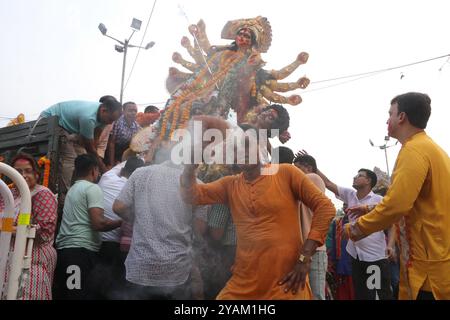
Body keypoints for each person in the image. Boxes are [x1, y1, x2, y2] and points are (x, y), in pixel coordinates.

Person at [180, 121, 336, 299]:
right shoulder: (230, 184)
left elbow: (325, 207)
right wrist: (190, 166)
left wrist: (305, 256)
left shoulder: (285, 173)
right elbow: (191, 195)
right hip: (244, 281)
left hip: (286, 281)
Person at [345, 92, 450, 300]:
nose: (387, 119)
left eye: (390, 113)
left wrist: (356, 228)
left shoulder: (414, 151)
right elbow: (413, 202)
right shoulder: (433, 150)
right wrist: (367, 208)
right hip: (437, 267)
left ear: (401, 117)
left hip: (427, 274)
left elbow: (397, 205)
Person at [297, 150, 392, 300]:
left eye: (360, 175)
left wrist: (390, 244)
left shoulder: (379, 200)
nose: (355, 177)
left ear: (368, 181)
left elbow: (392, 224)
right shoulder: (350, 194)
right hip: (356, 256)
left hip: (374, 256)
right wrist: (314, 166)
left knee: (378, 294)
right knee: (362, 295)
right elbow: (328, 183)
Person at [112, 156, 208, 300]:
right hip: (176, 269)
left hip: (141, 266)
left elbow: (118, 207)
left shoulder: (140, 174)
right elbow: (199, 230)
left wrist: (138, 219)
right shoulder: (199, 186)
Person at [54, 154, 122, 300]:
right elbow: (99, 223)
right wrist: (122, 222)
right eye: (98, 171)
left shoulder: (72, 190)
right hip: (80, 253)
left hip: (66, 252)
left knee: (71, 293)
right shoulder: (92, 188)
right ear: (93, 170)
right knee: (78, 295)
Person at [0, 153, 57, 300]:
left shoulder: (42, 194)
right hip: (6, 260)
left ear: (37, 174)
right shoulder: (8, 194)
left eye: (28, 170)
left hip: (31, 261)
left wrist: (12, 230)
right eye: (18, 172)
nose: (23, 175)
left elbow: (44, 232)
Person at [40, 95, 122, 196]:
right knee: (70, 158)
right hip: (52, 120)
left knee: (83, 156)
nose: (111, 123)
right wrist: (103, 168)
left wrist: (96, 163)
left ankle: (80, 188)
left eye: (113, 120)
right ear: (103, 110)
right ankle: (66, 194)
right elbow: (90, 147)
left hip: (68, 129)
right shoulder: (88, 117)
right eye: (110, 119)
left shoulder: (104, 117)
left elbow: (94, 143)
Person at [97, 156, 144, 299]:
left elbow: (123, 164)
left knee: (102, 284)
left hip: (101, 242)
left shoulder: (106, 178)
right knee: (120, 286)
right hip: (123, 246)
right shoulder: (136, 190)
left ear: (123, 169)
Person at [293, 154, 328, 300]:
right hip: (304, 249)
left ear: (309, 167)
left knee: (316, 294)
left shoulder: (313, 178)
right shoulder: (301, 182)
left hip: (314, 250)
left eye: (297, 168)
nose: (293, 171)